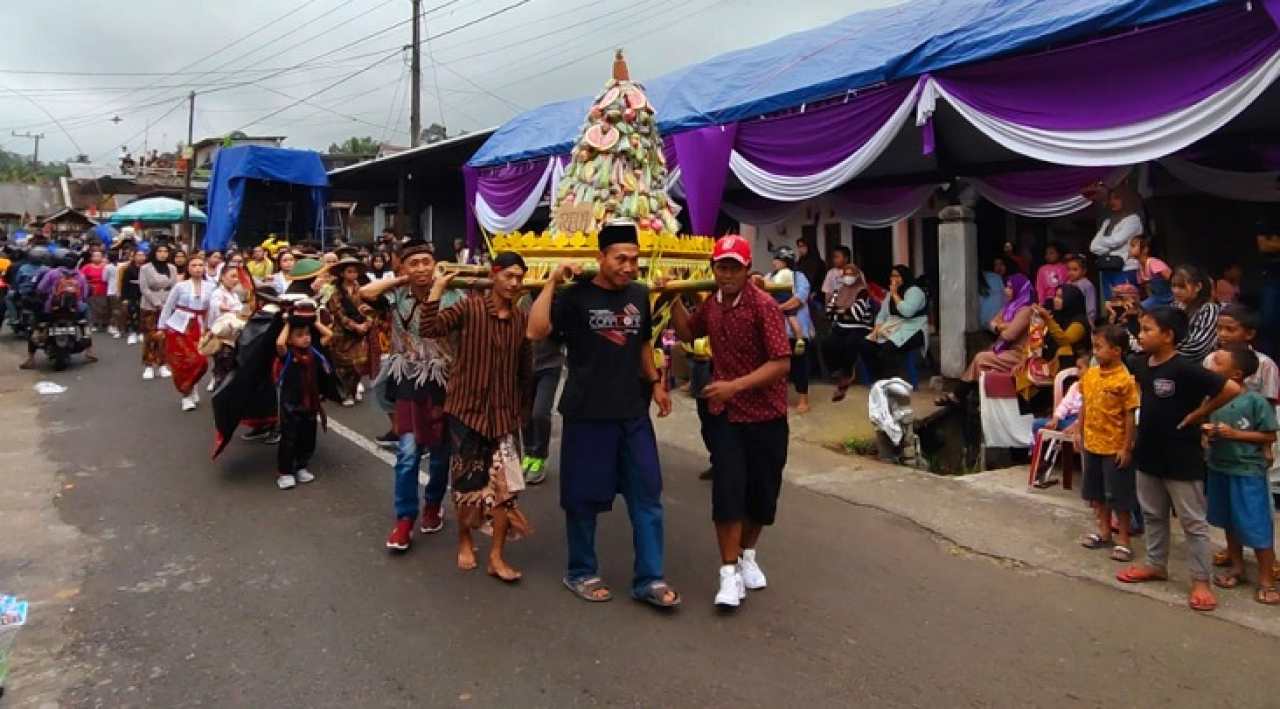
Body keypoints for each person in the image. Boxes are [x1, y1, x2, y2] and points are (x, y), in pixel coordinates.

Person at [526, 223, 678, 607]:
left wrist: (656, 382)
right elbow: (536, 329)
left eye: (634, 259)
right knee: (582, 499)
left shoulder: (640, 295)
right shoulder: (574, 297)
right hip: (586, 414)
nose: (629, 266)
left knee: (648, 495)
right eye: (620, 259)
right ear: (601, 258)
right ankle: (580, 571)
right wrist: (551, 283)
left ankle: (650, 579)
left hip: (632, 413)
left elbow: (643, 342)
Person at [669, 234, 791, 610]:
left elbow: (782, 362)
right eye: (721, 267)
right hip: (725, 416)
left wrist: (735, 386)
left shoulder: (764, 306)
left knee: (761, 496)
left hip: (766, 414)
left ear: (747, 269)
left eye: (734, 268)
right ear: (714, 269)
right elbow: (689, 332)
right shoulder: (712, 305)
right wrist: (671, 294)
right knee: (727, 492)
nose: (726, 275)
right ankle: (727, 572)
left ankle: (746, 555)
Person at [1116, 306, 1240, 613]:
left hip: (1182, 457)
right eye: (1141, 330)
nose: (1141, 336)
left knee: (1192, 522)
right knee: (1153, 514)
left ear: (1168, 336)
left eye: (1147, 330)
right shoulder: (1142, 365)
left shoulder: (1186, 369)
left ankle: (1201, 581)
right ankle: (1156, 564)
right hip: (1148, 453)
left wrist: (1200, 414)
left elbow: (1231, 388)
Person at [422, 252, 533, 583]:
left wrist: (523, 410)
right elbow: (429, 327)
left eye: (519, 278)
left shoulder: (521, 319)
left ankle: (497, 555)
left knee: (505, 487)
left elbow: (524, 369)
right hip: (466, 412)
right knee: (467, 484)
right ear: (493, 275)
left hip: (504, 415)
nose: (514, 283)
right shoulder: (469, 307)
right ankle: (465, 540)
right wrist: (437, 290)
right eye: (508, 276)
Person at [360, 239, 455, 552]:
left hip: (445, 383)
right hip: (409, 381)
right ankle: (404, 519)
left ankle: (432, 505)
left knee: (441, 456)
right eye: (414, 263)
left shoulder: (455, 293)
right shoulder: (395, 294)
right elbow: (365, 294)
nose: (422, 269)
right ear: (402, 265)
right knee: (408, 453)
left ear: (435, 262)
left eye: (427, 262)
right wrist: (403, 279)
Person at [1203, 344, 1280, 605]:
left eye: (1218, 364)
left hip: (1247, 470)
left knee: (1257, 525)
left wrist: (1235, 434)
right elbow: (1203, 420)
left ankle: (1267, 579)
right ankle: (1238, 568)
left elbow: (1269, 434)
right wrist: (1206, 430)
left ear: (1235, 374)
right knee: (1230, 522)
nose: (1212, 368)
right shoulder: (1212, 397)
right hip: (1219, 466)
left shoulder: (1254, 401)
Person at [1064, 325, 1140, 563]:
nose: (1095, 352)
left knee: (1119, 495)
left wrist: (1126, 447)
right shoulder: (1091, 376)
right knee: (1097, 493)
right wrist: (1079, 430)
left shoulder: (1125, 381)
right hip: (1092, 443)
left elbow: (1130, 416)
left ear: (1116, 350)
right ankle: (1104, 531)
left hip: (1114, 446)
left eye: (1099, 347)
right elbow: (1086, 404)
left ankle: (1124, 538)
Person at [936, 273, 1033, 406]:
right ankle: (968, 398)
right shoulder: (1009, 307)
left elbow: (1010, 335)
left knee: (981, 359)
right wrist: (1003, 326)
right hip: (1004, 348)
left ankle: (959, 395)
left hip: (1018, 354)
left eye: (1010, 288)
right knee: (983, 362)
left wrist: (1001, 326)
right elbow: (991, 323)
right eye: (1006, 287)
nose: (1006, 291)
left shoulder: (1025, 310)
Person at [273, 301, 338, 490]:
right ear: (291, 339)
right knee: (289, 437)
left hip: (311, 402)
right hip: (291, 403)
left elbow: (329, 334)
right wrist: (289, 322)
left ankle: (301, 466)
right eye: (299, 335)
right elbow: (279, 342)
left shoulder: (315, 352)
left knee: (308, 435)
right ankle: (285, 472)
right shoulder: (287, 354)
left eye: (307, 334)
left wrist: (312, 321)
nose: (306, 338)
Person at [21, 251, 98, 369]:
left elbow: (40, 289)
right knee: (85, 316)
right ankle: (89, 348)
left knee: (35, 325)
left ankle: (31, 358)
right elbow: (84, 295)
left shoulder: (52, 273)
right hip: (74, 310)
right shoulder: (80, 275)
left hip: (51, 309)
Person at [519, 292, 564, 485]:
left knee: (540, 412)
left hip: (550, 365)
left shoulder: (558, 300)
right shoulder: (523, 300)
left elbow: (560, 333)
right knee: (525, 414)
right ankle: (528, 452)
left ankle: (539, 455)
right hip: (525, 366)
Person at [159, 255, 213, 411]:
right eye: (194, 265)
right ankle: (186, 395)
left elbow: (212, 308)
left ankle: (192, 384)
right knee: (183, 363)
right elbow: (168, 307)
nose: (197, 268)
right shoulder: (180, 286)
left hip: (200, 326)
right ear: (188, 268)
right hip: (179, 327)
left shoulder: (210, 287)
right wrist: (161, 327)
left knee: (200, 362)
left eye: (200, 265)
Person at [768, 248, 814, 414]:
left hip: (795, 325)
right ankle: (777, 398)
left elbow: (800, 298)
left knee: (799, 364)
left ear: (785, 261)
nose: (774, 262)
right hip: (776, 328)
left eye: (777, 259)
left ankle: (804, 399)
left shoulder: (799, 277)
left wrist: (779, 308)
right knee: (776, 364)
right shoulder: (770, 276)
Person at [327, 256, 377, 406]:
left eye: (355, 272)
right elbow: (338, 313)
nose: (353, 275)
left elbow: (371, 308)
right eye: (349, 272)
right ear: (342, 273)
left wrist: (367, 323)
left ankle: (354, 389)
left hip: (360, 333)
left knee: (359, 364)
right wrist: (355, 326)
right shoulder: (335, 292)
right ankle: (346, 393)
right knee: (344, 366)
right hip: (342, 333)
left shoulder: (362, 290)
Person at [1204, 304, 1279, 405]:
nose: (1222, 334)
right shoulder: (1211, 359)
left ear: (1249, 334)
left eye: (1230, 329)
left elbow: (1269, 404)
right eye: (1219, 328)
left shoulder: (1265, 364)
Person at [823, 263, 875, 402]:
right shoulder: (839, 290)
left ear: (857, 276)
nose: (848, 277)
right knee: (827, 343)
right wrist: (844, 313)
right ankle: (838, 370)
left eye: (851, 274)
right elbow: (829, 312)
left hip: (861, 326)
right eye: (845, 274)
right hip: (842, 325)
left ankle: (847, 373)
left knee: (850, 342)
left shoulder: (862, 291)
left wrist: (841, 311)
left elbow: (857, 314)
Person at [867, 265, 927, 382]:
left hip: (914, 328)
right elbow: (882, 314)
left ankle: (892, 380)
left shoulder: (915, 291)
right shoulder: (890, 293)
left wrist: (895, 294)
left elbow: (908, 312)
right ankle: (877, 377)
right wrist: (876, 330)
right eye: (892, 276)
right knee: (867, 343)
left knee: (888, 348)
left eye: (897, 276)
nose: (894, 279)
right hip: (893, 325)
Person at [1089, 185, 1143, 301]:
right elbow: (1093, 246)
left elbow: (1117, 240)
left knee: (1126, 303)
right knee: (1110, 303)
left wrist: (1104, 244)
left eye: (1117, 198)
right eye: (1111, 198)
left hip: (1125, 268)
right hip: (1108, 267)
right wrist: (1110, 246)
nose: (1112, 202)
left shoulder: (1133, 220)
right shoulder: (1108, 222)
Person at [139, 244, 178, 381]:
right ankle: (149, 364)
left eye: (165, 251)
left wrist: (169, 304)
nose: (163, 254)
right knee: (151, 336)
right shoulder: (146, 268)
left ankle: (162, 363)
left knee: (164, 336)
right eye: (160, 251)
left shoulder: (172, 268)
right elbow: (144, 288)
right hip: (150, 305)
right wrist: (157, 303)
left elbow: (174, 287)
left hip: (167, 303)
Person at [1171, 264, 1220, 362]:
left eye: (1181, 287)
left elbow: (1198, 347)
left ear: (1198, 286)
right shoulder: (1174, 306)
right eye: (1173, 286)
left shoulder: (1209, 309)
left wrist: (1166, 354)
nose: (1176, 291)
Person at [206, 265, 245, 390]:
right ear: (222, 277)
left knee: (228, 363)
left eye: (237, 277)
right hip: (222, 334)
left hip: (234, 332)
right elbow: (218, 307)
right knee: (223, 362)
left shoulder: (234, 294)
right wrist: (230, 310)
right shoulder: (217, 293)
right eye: (232, 276)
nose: (235, 280)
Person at [1128, 235, 1172, 310]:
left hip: (1169, 298)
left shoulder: (1153, 263)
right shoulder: (1140, 268)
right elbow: (1148, 290)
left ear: (1145, 249)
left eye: (1133, 246)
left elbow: (1171, 278)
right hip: (1156, 299)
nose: (1129, 249)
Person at [119, 249, 147, 345]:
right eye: (138, 255)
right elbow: (124, 284)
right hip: (132, 293)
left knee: (143, 315)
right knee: (132, 314)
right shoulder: (128, 269)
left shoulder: (148, 268)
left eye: (142, 255)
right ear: (134, 257)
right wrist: (124, 298)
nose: (140, 258)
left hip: (145, 294)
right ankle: (133, 333)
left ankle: (142, 332)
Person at [80, 249, 111, 333]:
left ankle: (104, 323)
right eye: (95, 256)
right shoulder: (87, 267)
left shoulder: (106, 266)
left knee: (104, 307)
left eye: (99, 256)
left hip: (103, 288)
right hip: (91, 289)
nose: (97, 258)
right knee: (93, 307)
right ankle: (95, 323)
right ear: (91, 258)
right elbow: (81, 278)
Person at [978, 255, 1013, 328]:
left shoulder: (997, 279)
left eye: (1001, 264)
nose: (998, 268)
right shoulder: (994, 279)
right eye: (995, 265)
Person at [1063, 255, 1097, 325]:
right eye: (1069, 269)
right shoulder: (1067, 283)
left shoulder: (1087, 285)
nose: (1071, 272)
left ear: (1084, 271)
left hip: (1082, 319)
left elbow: (1090, 305)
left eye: (1075, 270)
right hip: (1068, 318)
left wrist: (1090, 321)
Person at [1035, 241, 1070, 305]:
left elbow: (1067, 283)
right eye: (1046, 253)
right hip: (1047, 299)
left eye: (1051, 253)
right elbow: (1040, 287)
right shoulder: (1042, 269)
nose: (1048, 255)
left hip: (1062, 299)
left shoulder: (1065, 268)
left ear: (1059, 254)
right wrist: (1041, 302)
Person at [104, 251, 121, 338]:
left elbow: (104, 278)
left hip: (111, 290)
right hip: (119, 289)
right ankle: (115, 325)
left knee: (113, 309)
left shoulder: (107, 267)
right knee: (118, 309)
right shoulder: (121, 266)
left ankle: (112, 325)